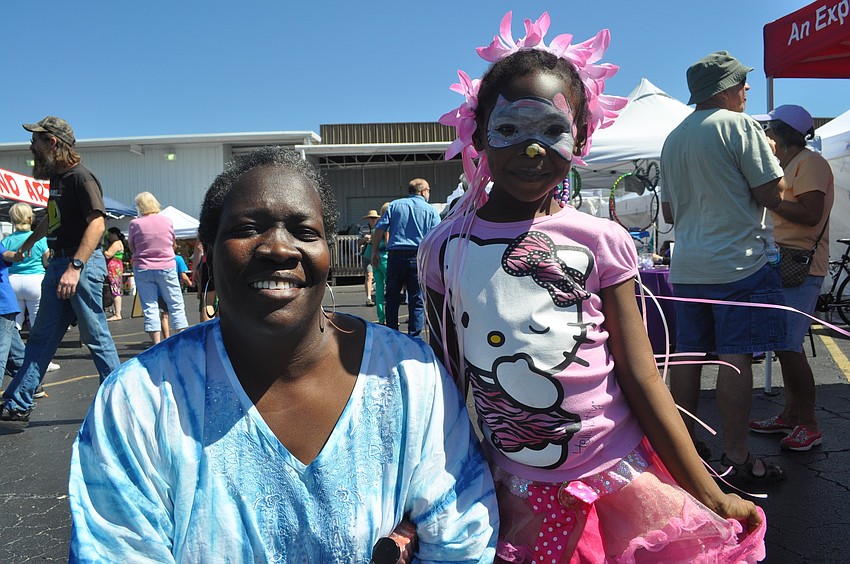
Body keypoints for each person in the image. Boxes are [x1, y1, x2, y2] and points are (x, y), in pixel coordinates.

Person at [421, 14, 765, 562]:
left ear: (581, 137)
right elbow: (442, 384)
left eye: (553, 131)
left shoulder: (600, 240)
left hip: (617, 479)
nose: (532, 151)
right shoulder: (446, 248)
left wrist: (708, 490)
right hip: (512, 490)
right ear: (478, 131)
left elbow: (640, 373)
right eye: (510, 129)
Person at [68, 146, 498, 561]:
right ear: (207, 253)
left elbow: (462, 540)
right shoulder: (138, 400)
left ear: (326, 251)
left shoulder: (408, 376)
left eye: (305, 232)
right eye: (247, 228)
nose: (278, 248)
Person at [660, 51, 791, 484]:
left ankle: (685, 451)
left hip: (688, 266)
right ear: (725, 89)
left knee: (688, 356)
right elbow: (774, 195)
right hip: (738, 263)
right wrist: (772, 156)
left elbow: (670, 212)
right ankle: (736, 457)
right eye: (742, 83)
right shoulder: (740, 126)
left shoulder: (674, 137)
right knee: (735, 360)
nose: (747, 89)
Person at [0, 116, 120, 425]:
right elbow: (51, 220)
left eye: (36, 140)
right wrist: (28, 245)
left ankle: (122, 403)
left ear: (52, 142)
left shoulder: (81, 177)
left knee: (96, 337)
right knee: (40, 338)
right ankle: (18, 402)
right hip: (59, 265)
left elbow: (97, 223)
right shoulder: (58, 180)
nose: (32, 147)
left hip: (78, 265)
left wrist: (76, 266)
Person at [749, 105, 833, 452]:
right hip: (786, 262)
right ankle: (791, 414)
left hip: (800, 265)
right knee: (785, 346)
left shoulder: (810, 163)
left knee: (788, 345)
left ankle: (809, 424)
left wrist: (772, 200)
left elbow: (811, 214)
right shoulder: (794, 163)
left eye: (771, 128)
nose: (767, 134)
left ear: (783, 132)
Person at [371, 179, 439, 338]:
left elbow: (379, 228)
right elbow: (437, 235)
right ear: (423, 192)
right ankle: (414, 337)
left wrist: (374, 251)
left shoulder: (394, 205)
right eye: (428, 190)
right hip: (419, 256)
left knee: (392, 296)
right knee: (417, 299)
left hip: (396, 255)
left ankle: (393, 334)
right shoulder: (430, 210)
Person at [1, 203, 61, 382]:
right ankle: (41, 361)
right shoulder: (39, 239)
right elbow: (46, 260)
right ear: (30, 218)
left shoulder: (6, 240)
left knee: (15, 325)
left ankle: (20, 362)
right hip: (35, 280)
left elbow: (6, 256)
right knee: (37, 322)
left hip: (12, 281)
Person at [127, 192, 189, 345]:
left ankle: (156, 344)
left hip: (143, 268)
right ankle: (180, 341)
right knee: (176, 304)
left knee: (150, 307)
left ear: (140, 206)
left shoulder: (135, 224)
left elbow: (131, 246)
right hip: (166, 266)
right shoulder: (167, 221)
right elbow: (172, 242)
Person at [103, 227, 126, 321]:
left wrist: (101, 249)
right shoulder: (119, 243)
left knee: (115, 289)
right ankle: (116, 312)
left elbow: (108, 254)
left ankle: (117, 314)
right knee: (115, 288)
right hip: (116, 266)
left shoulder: (116, 243)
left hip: (113, 267)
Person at [192, 239, 217, 322]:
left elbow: (199, 247)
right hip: (226, 261)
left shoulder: (206, 226)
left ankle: (210, 332)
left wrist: (195, 268)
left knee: (208, 302)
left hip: (209, 262)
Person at [373, 202, 390, 324]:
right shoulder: (386, 226)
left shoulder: (376, 225)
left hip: (376, 258)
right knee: (390, 289)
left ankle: (381, 317)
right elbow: (388, 243)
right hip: (386, 258)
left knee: (379, 290)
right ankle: (389, 316)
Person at [359, 210, 380, 306]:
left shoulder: (380, 228)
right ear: (368, 219)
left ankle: (379, 296)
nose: (373, 220)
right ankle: (368, 298)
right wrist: (364, 239)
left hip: (378, 254)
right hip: (367, 254)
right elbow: (358, 243)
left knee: (380, 277)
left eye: (375, 218)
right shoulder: (363, 228)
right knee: (369, 276)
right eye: (371, 218)